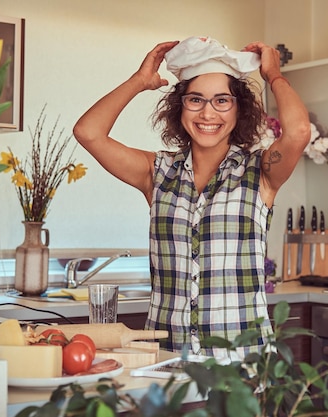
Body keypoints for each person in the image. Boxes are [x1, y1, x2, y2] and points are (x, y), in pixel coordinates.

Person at [74, 36, 310, 358]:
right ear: (180, 106)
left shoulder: (261, 172)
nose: (208, 113)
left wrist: (274, 76)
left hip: (241, 362)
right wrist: (139, 81)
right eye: (195, 100)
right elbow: (88, 132)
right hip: (168, 359)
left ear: (239, 109)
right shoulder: (156, 172)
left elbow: (297, 132)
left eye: (222, 101)